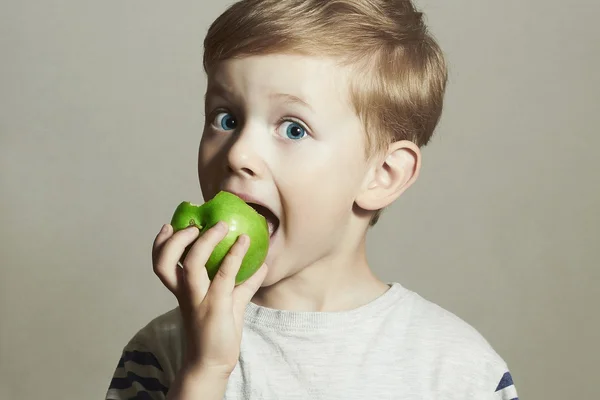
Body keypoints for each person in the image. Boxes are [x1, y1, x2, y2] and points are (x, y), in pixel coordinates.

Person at [106, 0, 519, 399]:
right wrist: (206, 371)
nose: (238, 154)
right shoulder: (162, 353)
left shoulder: (457, 371)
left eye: (293, 129)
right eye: (226, 119)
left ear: (382, 175)